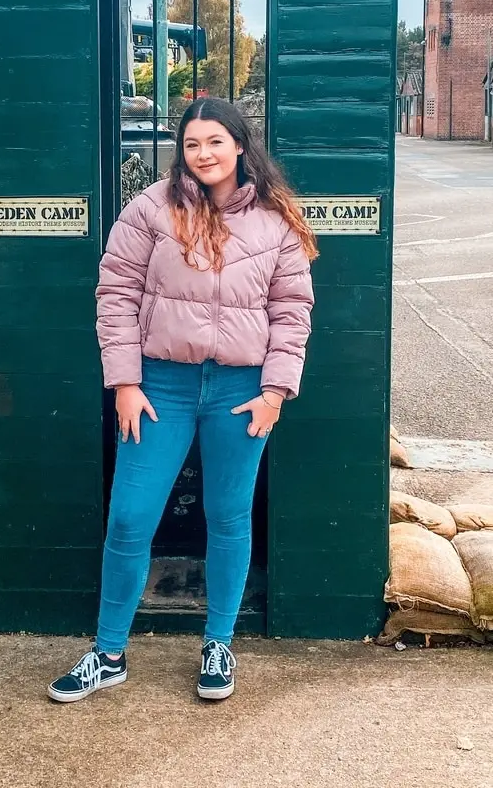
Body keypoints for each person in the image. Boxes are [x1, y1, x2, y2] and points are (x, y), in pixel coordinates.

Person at [48, 98, 316, 704]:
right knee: (130, 517)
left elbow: (292, 311)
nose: (204, 155)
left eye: (216, 142)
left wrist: (275, 391)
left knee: (227, 516)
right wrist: (124, 382)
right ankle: (108, 652)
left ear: (240, 146)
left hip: (241, 391)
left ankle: (218, 644)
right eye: (193, 144)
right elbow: (115, 293)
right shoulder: (149, 209)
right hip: (159, 386)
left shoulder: (276, 221)